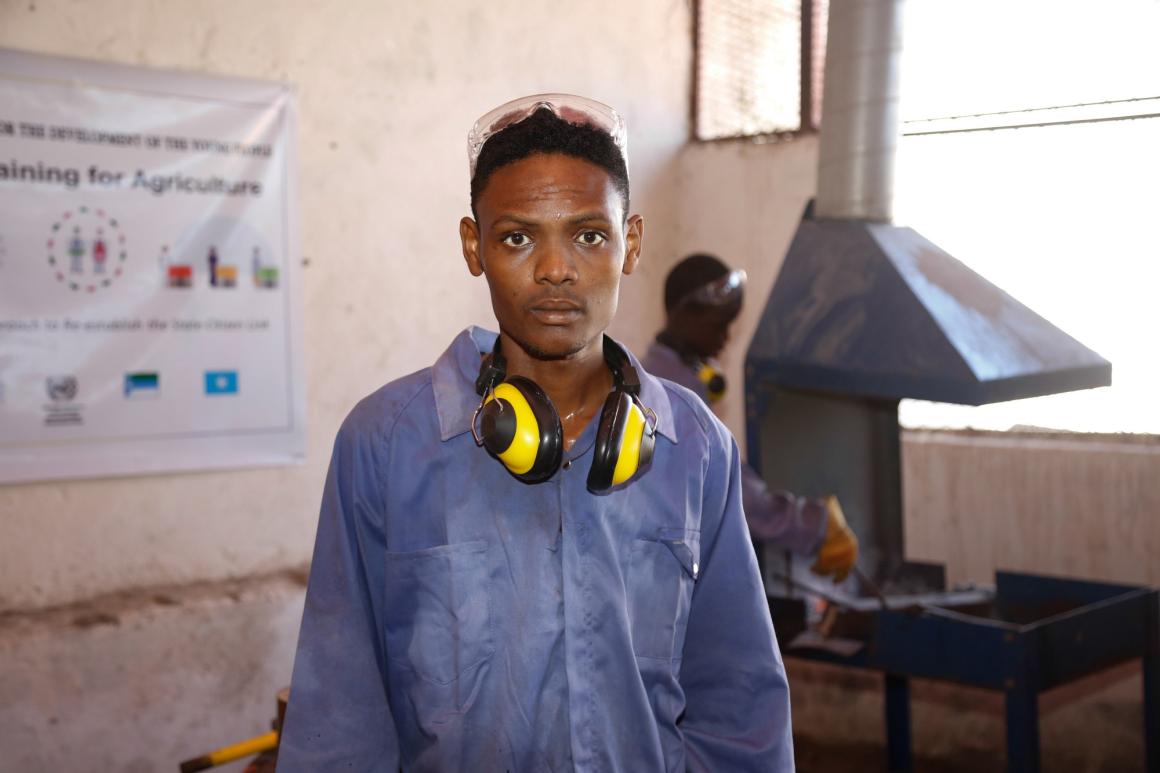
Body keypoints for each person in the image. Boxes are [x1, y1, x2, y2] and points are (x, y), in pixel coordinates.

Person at [278, 95, 794, 772]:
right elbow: (340, 716)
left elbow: (740, 712)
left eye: (589, 236)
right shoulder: (386, 444)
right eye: (518, 238)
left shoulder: (693, 447)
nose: (556, 268)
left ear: (632, 242)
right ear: (474, 246)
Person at [641, 253, 858, 581]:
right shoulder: (674, 394)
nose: (725, 339)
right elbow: (732, 491)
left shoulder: (663, 373)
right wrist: (816, 525)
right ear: (685, 315)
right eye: (718, 326)